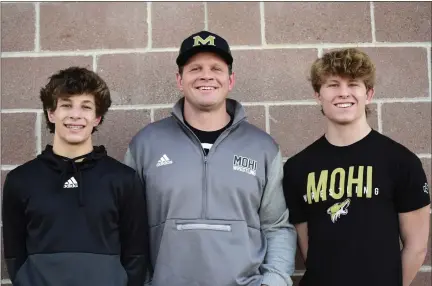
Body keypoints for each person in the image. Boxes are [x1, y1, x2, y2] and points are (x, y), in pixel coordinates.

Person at [124, 31, 297, 286]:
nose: (206, 75)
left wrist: (274, 282)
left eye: (216, 68)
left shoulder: (262, 147)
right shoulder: (146, 144)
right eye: (195, 68)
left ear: (231, 79)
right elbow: (129, 230)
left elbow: (277, 226)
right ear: (179, 80)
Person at [283, 48, 431, 286]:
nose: (343, 93)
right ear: (317, 94)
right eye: (332, 85)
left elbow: (416, 248)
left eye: (353, 84)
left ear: (368, 94)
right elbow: (308, 249)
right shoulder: (297, 168)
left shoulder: (401, 162)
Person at [2, 67, 150, 286]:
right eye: (66, 105)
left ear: (97, 117)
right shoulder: (21, 180)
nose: (75, 115)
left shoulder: (123, 179)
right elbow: (15, 255)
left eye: (86, 107)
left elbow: (136, 255)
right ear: (51, 113)